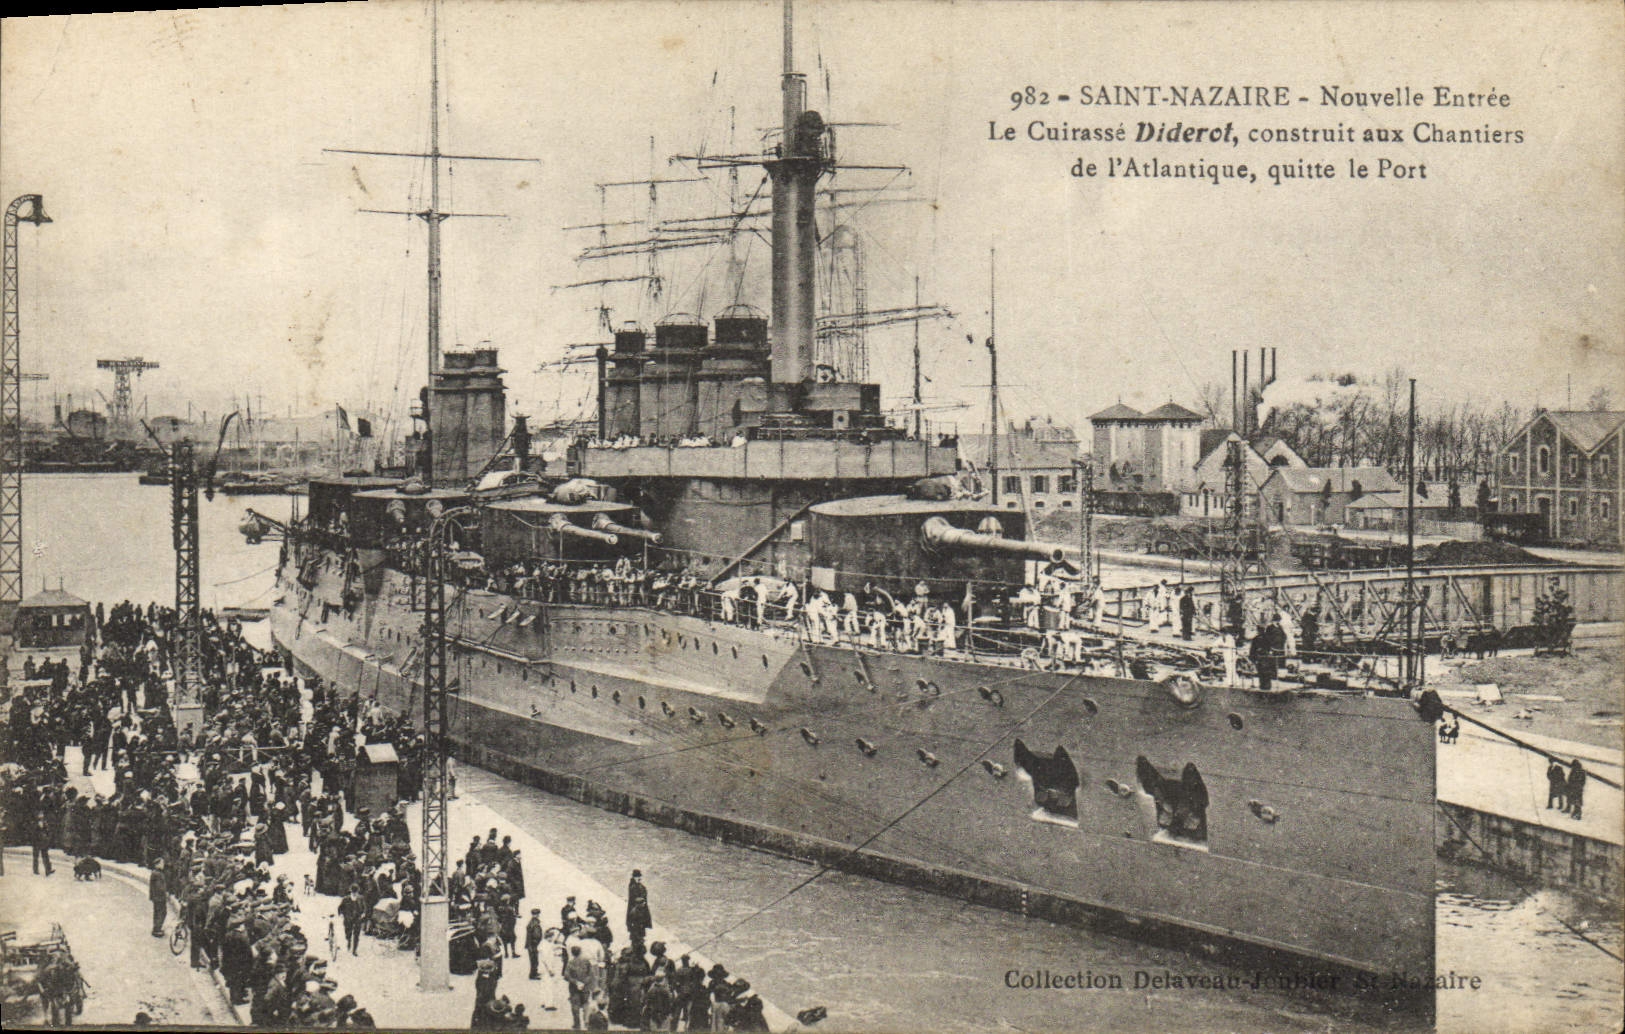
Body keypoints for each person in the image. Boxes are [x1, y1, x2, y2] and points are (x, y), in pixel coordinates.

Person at [564, 944, 595, 1030]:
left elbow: (566, 975)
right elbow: (591, 974)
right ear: (580, 952)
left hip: (574, 988)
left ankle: (577, 1024)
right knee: (586, 1003)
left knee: (575, 1006)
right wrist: (584, 982)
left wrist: (576, 982)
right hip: (585, 987)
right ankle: (586, 1022)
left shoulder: (570, 962)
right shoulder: (586, 961)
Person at [626, 869, 652, 959]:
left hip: (640, 911)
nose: (639, 878)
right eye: (637, 877)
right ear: (634, 877)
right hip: (637, 912)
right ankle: (637, 949)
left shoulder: (637, 886)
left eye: (639, 876)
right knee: (636, 932)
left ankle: (638, 946)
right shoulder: (634, 887)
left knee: (639, 931)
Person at [339, 883, 367, 955]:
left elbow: (364, 907)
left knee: (356, 934)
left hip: (357, 918)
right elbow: (340, 908)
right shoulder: (346, 899)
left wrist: (363, 913)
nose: (354, 894)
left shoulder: (361, 898)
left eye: (356, 892)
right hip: (348, 918)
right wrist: (341, 914)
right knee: (348, 932)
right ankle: (348, 941)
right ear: (350, 891)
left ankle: (354, 950)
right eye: (353, 892)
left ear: (358, 892)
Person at [149, 856, 168, 936]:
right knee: (161, 912)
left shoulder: (156, 873)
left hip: (156, 897)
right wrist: (165, 892)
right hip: (159, 897)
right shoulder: (157, 874)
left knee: (158, 912)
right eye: (161, 863)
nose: (163, 864)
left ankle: (156, 928)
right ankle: (157, 929)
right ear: (157, 864)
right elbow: (159, 887)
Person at [525, 908, 546, 979]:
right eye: (537, 914)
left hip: (531, 944)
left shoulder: (532, 922)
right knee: (534, 960)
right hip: (533, 944)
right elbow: (536, 935)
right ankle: (533, 975)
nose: (538, 915)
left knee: (534, 959)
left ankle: (534, 972)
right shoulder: (535, 923)